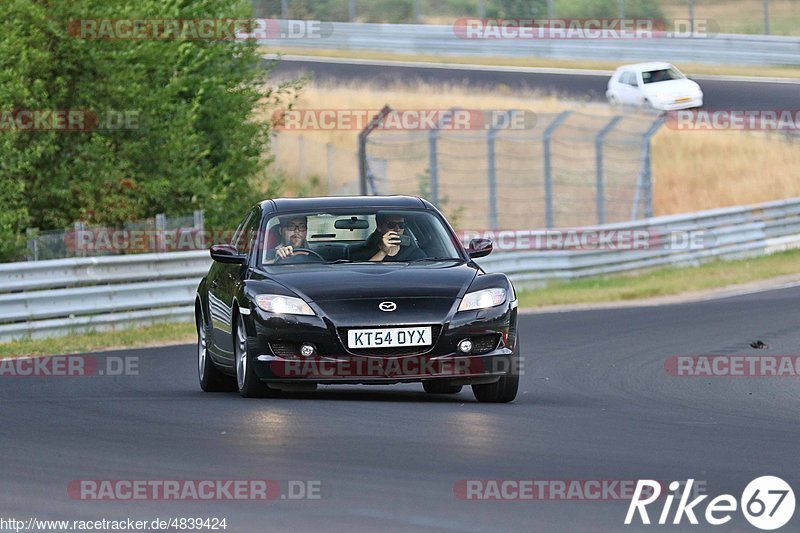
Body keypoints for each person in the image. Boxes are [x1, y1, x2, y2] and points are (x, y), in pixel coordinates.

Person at [352, 212, 426, 262]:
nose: (397, 229)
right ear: (379, 227)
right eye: (391, 225)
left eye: (401, 225)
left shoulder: (415, 253)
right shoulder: (362, 253)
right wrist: (383, 252)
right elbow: (364, 275)